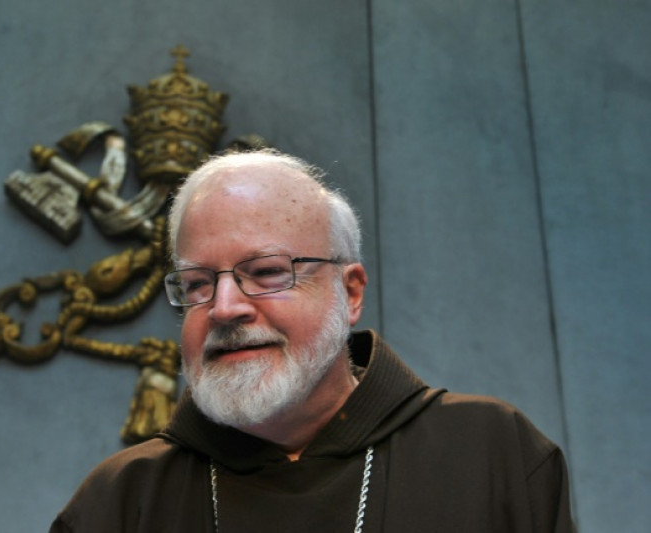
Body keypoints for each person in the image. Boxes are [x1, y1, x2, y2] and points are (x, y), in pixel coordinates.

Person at [50, 149, 576, 532]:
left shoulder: (492, 455)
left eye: (266, 272)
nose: (225, 307)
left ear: (349, 292)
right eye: (197, 284)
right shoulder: (120, 501)